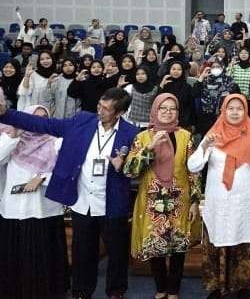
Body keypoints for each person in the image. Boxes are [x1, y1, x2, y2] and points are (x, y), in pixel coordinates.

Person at [0, 87, 138, 299]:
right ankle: (82, 292)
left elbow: (138, 169)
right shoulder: (82, 121)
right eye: (99, 105)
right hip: (82, 201)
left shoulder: (131, 133)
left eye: (106, 109)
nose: (99, 111)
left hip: (112, 203)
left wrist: (125, 165)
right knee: (83, 252)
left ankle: (116, 292)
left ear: (119, 113)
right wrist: (5, 113)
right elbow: (44, 124)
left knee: (117, 253)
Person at [188, 94, 250, 299]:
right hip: (219, 201)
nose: (234, 112)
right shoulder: (213, 135)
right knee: (219, 239)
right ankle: (217, 286)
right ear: (223, 110)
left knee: (243, 242)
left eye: (238, 108)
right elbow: (194, 166)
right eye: (230, 108)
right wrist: (205, 146)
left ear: (245, 111)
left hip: (245, 201)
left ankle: (241, 287)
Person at [123, 94, 201, 299]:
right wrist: (149, 148)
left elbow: (193, 170)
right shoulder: (143, 138)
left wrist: (194, 201)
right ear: (155, 110)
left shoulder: (185, 136)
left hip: (179, 199)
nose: (167, 112)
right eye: (163, 108)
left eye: (172, 109)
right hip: (152, 200)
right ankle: (160, 289)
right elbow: (130, 171)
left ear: (178, 112)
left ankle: (174, 290)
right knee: (154, 244)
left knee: (178, 246)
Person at [0, 104, 69, 299]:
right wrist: (13, 137)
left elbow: (65, 169)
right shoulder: (12, 139)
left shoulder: (56, 142)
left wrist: (43, 177)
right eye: (34, 117)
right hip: (15, 210)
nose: (38, 123)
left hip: (43, 210)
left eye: (43, 118)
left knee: (42, 252)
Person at [193, 60, 238, 135]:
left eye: (218, 67)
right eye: (213, 67)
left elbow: (236, 95)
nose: (215, 68)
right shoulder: (206, 79)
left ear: (222, 68)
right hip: (207, 116)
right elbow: (195, 93)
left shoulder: (229, 80)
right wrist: (202, 76)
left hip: (224, 115)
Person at [158, 60, 195, 129]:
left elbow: (191, 106)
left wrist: (192, 123)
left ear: (183, 72)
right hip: (165, 119)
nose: (176, 71)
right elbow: (157, 102)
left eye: (179, 69)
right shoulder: (164, 85)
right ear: (169, 70)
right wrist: (161, 85)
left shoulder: (187, 87)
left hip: (182, 122)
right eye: (173, 69)